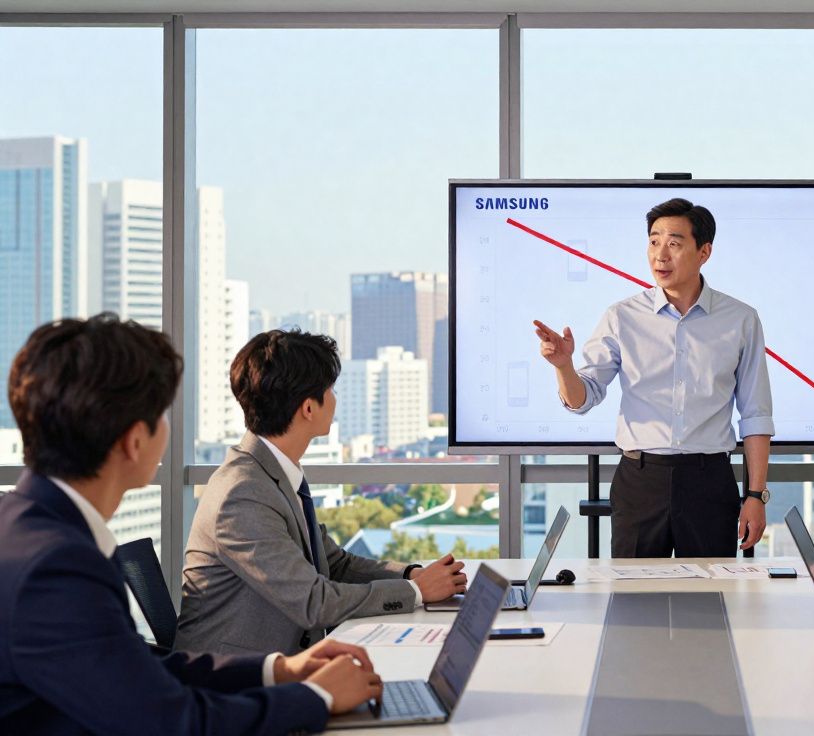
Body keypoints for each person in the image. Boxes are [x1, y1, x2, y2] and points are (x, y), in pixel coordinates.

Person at [0, 315, 380, 734]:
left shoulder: (27, 529)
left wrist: (278, 670)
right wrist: (317, 698)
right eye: (161, 414)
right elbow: (170, 723)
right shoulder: (56, 565)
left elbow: (134, 663)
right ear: (135, 440)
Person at [176, 329, 467, 655]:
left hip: (277, 663)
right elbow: (314, 602)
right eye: (329, 389)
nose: (335, 398)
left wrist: (412, 574)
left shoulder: (273, 474)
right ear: (309, 408)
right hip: (231, 681)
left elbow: (334, 563)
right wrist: (414, 592)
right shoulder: (242, 494)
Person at [533, 197, 774, 557]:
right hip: (640, 479)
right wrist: (564, 367)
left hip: (710, 482)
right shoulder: (621, 316)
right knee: (633, 604)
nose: (661, 254)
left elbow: (755, 415)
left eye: (674, 243)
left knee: (709, 604)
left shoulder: (740, 319)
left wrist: (755, 496)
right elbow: (583, 399)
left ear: (704, 251)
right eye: (653, 241)